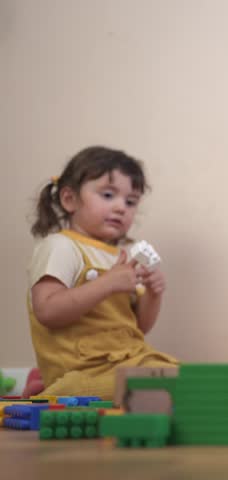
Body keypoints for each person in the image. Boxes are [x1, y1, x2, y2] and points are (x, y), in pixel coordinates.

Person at [26, 146, 177, 399]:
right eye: (108, 195)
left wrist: (153, 294)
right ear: (69, 199)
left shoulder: (121, 257)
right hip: (83, 372)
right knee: (170, 384)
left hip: (126, 361)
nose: (121, 207)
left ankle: (44, 389)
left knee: (183, 375)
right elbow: (47, 311)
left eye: (131, 201)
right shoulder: (62, 246)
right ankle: (53, 390)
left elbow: (139, 326)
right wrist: (108, 283)